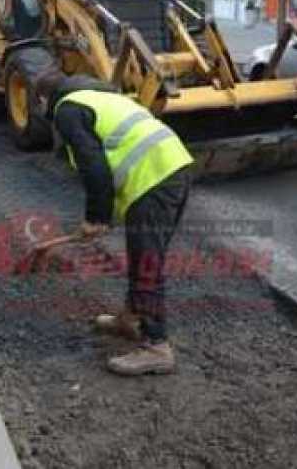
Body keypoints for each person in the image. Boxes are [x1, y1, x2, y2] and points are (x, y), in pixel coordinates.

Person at [34, 71, 193, 376]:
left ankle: (156, 346)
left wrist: (97, 217)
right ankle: (129, 319)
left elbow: (94, 167)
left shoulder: (67, 109)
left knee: (148, 262)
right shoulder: (101, 95)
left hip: (154, 179)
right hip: (173, 168)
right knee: (143, 257)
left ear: (43, 99)